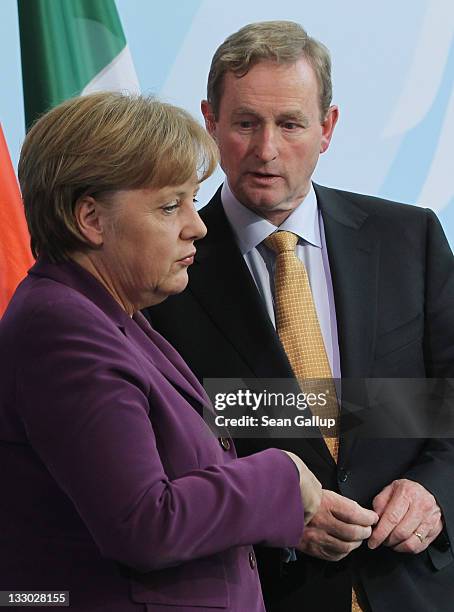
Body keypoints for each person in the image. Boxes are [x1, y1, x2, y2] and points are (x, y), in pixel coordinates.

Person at [148, 21, 454, 612]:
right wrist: (276, 516)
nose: (266, 150)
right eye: (245, 124)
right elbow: (164, 456)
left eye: (289, 124)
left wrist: (435, 492)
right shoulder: (163, 273)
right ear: (210, 122)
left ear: (327, 128)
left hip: (418, 586)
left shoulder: (409, 237)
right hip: (265, 590)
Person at [0, 92, 323, 612]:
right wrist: (281, 474)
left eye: (193, 200)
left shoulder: (117, 315)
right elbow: (144, 522)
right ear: (91, 218)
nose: (196, 225)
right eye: (171, 205)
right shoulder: (63, 328)